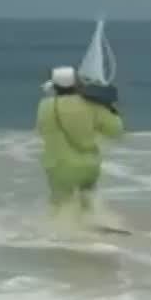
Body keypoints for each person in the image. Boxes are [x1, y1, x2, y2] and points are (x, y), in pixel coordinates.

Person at [36, 66, 124, 219]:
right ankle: (90, 224)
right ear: (77, 84)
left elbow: (42, 130)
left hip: (58, 165)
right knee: (87, 199)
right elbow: (115, 131)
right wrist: (111, 109)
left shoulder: (45, 106)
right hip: (89, 165)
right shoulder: (93, 105)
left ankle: (60, 230)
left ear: (55, 86)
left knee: (60, 203)